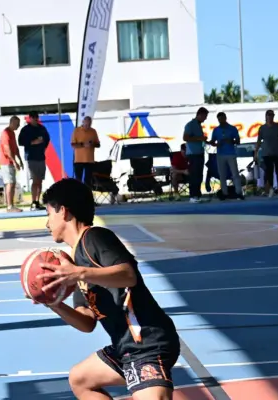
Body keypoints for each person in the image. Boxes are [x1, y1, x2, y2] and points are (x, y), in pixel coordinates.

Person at [33, 178, 180, 399]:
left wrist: (79, 273)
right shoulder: (73, 260)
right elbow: (86, 322)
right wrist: (54, 304)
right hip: (125, 348)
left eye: (48, 214)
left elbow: (128, 275)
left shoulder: (95, 238)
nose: (47, 223)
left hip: (148, 343)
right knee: (81, 379)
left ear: (63, 211)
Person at [18, 111, 50, 210]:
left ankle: (37, 200)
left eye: (37, 117)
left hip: (41, 157)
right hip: (31, 157)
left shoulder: (42, 128)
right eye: (34, 117)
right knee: (35, 180)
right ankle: (33, 202)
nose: (36, 119)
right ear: (30, 118)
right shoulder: (25, 129)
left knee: (40, 180)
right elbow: (20, 142)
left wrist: (43, 146)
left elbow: (47, 139)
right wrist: (32, 142)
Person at [210, 112, 244, 200]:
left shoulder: (232, 128)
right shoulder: (216, 130)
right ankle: (224, 193)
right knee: (222, 175)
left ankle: (239, 192)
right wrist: (217, 143)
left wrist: (231, 141)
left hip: (231, 153)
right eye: (219, 119)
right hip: (220, 154)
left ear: (225, 118)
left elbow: (238, 140)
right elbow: (212, 142)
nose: (221, 121)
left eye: (222, 119)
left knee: (235, 173)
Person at [182, 107, 209, 203]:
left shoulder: (198, 125)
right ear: (200, 115)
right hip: (193, 154)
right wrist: (199, 138)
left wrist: (205, 140)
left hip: (200, 152)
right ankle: (192, 196)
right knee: (194, 175)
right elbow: (185, 137)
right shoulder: (190, 125)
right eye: (204, 116)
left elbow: (199, 139)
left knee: (199, 175)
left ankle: (197, 195)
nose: (205, 119)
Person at [0, 116, 23, 212]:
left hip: (11, 161)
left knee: (12, 183)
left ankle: (11, 205)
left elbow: (15, 147)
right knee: (10, 183)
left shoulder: (12, 133)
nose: (18, 126)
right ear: (12, 123)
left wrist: (20, 159)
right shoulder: (5, 133)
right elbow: (7, 149)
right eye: (17, 124)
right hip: (6, 161)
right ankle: (9, 206)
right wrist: (14, 161)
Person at [71, 116, 100, 185]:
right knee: (78, 181)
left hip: (90, 160)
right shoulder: (76, 131)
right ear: (83, 122)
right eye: (86, 125)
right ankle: (79, 195)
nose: (87, 126)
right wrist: (83, 145)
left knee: (88, 181)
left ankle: (87, 194)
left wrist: (92, 144)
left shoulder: (93, 131)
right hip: (78, 160)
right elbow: (73, 145)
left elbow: (98, 144)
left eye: (89, 125)